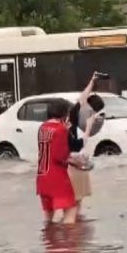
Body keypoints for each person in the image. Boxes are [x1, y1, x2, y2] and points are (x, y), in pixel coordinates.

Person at [68, 74, 105, 210]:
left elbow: (82, 98)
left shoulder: (72, 113)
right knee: (75, 201)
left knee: (77, 200)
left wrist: (92, 81)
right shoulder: (69, 122)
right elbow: (77, 146)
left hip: (71, 162)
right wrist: (89, 128)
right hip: (72, 163)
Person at [37, 100, 78, 225]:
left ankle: (49, 241)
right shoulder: (60, 130)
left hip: (42, 177)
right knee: (71, 210)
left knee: (48, 218)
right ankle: (67, 243)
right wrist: (76, 163)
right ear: (64, 114)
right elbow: (61, 156)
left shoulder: (42, 127)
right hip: (57, 177)